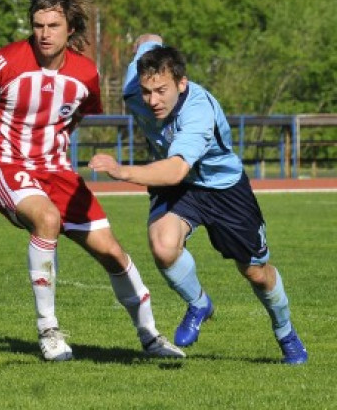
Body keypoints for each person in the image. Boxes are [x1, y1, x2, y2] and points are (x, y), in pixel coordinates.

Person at [0, 0, 184, 361]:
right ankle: (49, 331)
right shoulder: (3, 62)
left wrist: (54, 145)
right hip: (5, 162)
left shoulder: (86, 74)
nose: (44, 33)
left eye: (53, 25)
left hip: (55, 169)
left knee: (112, 252)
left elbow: (75, 116)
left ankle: (151, 336)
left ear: (69, 27)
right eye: (38, 25)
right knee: (46, 220)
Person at [89, 34, 308, 364]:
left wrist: (122, 171)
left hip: (222, 188)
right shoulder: (136, 85)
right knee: (162, 246)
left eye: (162, 90)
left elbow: (175, 169)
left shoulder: (198, 112)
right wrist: (147, 41)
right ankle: (199, 303)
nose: (152, 100)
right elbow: (148, 41)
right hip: (181, 187)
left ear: (181, 83)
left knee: (256, 273)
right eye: (147, 91)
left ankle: (286, 332)